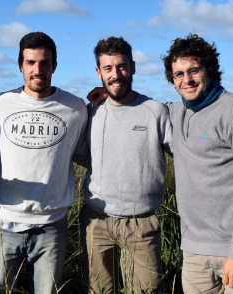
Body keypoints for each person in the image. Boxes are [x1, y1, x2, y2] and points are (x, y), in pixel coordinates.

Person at [0, 32, 89, 294]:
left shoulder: (74, 108)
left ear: (54, 66)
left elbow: (84, 153)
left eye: (45, 63)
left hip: (52, 225)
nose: (38, 70)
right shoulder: (0, 104)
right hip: (4, 224)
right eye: (31, 63)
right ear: (20, 66)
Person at [163, 33, 233, 293]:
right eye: (178, 74)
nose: (186, 80)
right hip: (194, 252)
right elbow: (142, 109)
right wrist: (110, 94)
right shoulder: (175, 113)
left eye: (194, 70)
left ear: (210, 70)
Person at [80, 36, 172, 294]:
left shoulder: (155, 110)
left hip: (141, 221)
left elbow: (183, 153)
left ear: (133, 67)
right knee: (98, 290)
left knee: (148, 290)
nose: (116, 75)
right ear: (98, 72)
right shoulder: (91, 111)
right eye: (107, 68)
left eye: (121, 67)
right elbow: (80, 153)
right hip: (96, 218)